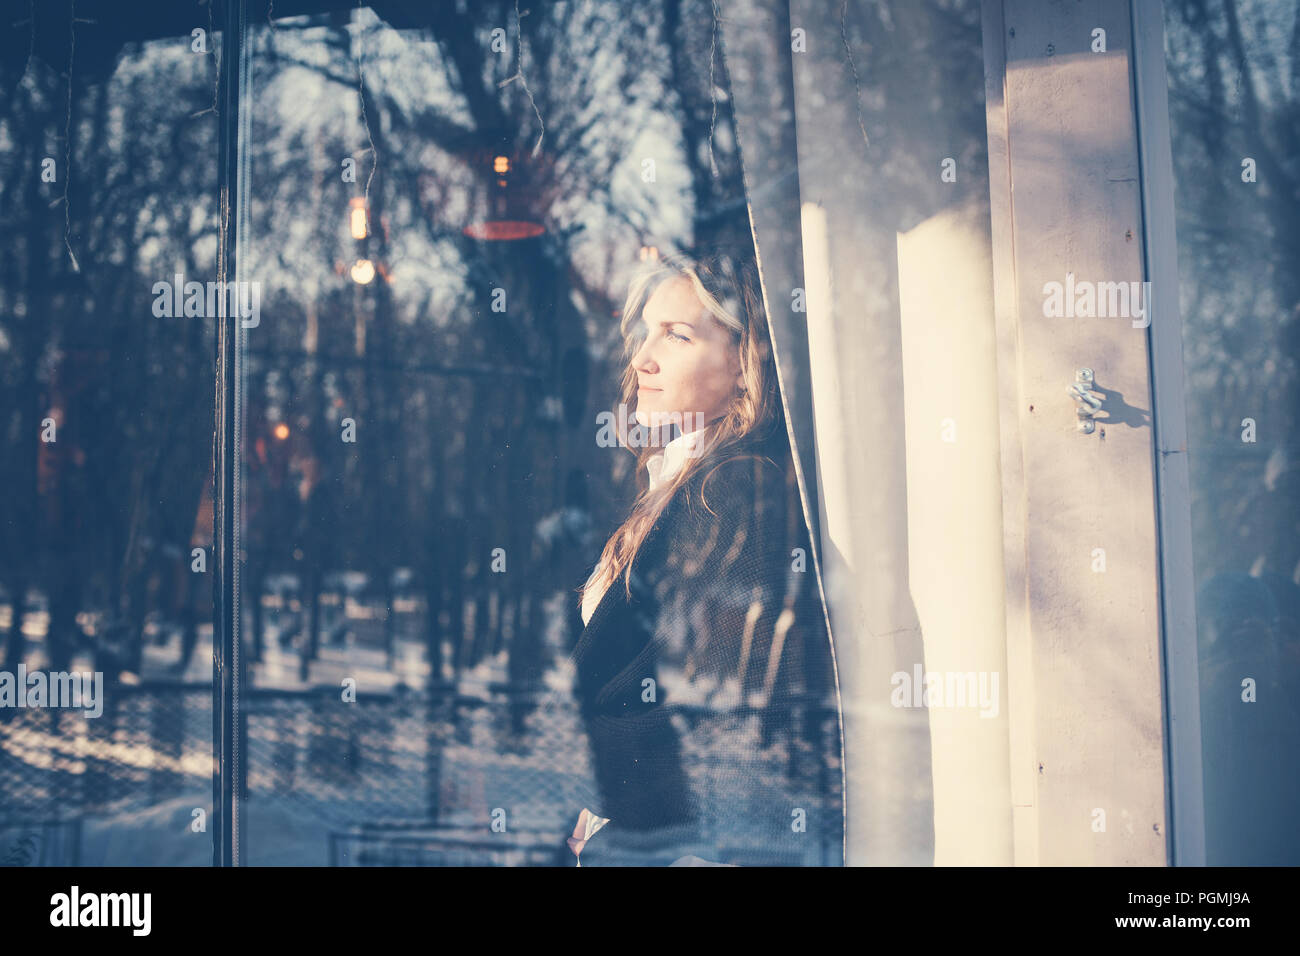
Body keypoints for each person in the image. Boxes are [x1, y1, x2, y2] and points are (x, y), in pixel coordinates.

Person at [566, 249, 844, 866]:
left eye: (677, 334)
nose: (643, 358)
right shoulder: (680, 481)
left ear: (744, 368)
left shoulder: (731, 488)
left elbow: (710, 706)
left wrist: (661, 849)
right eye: (645, 332)